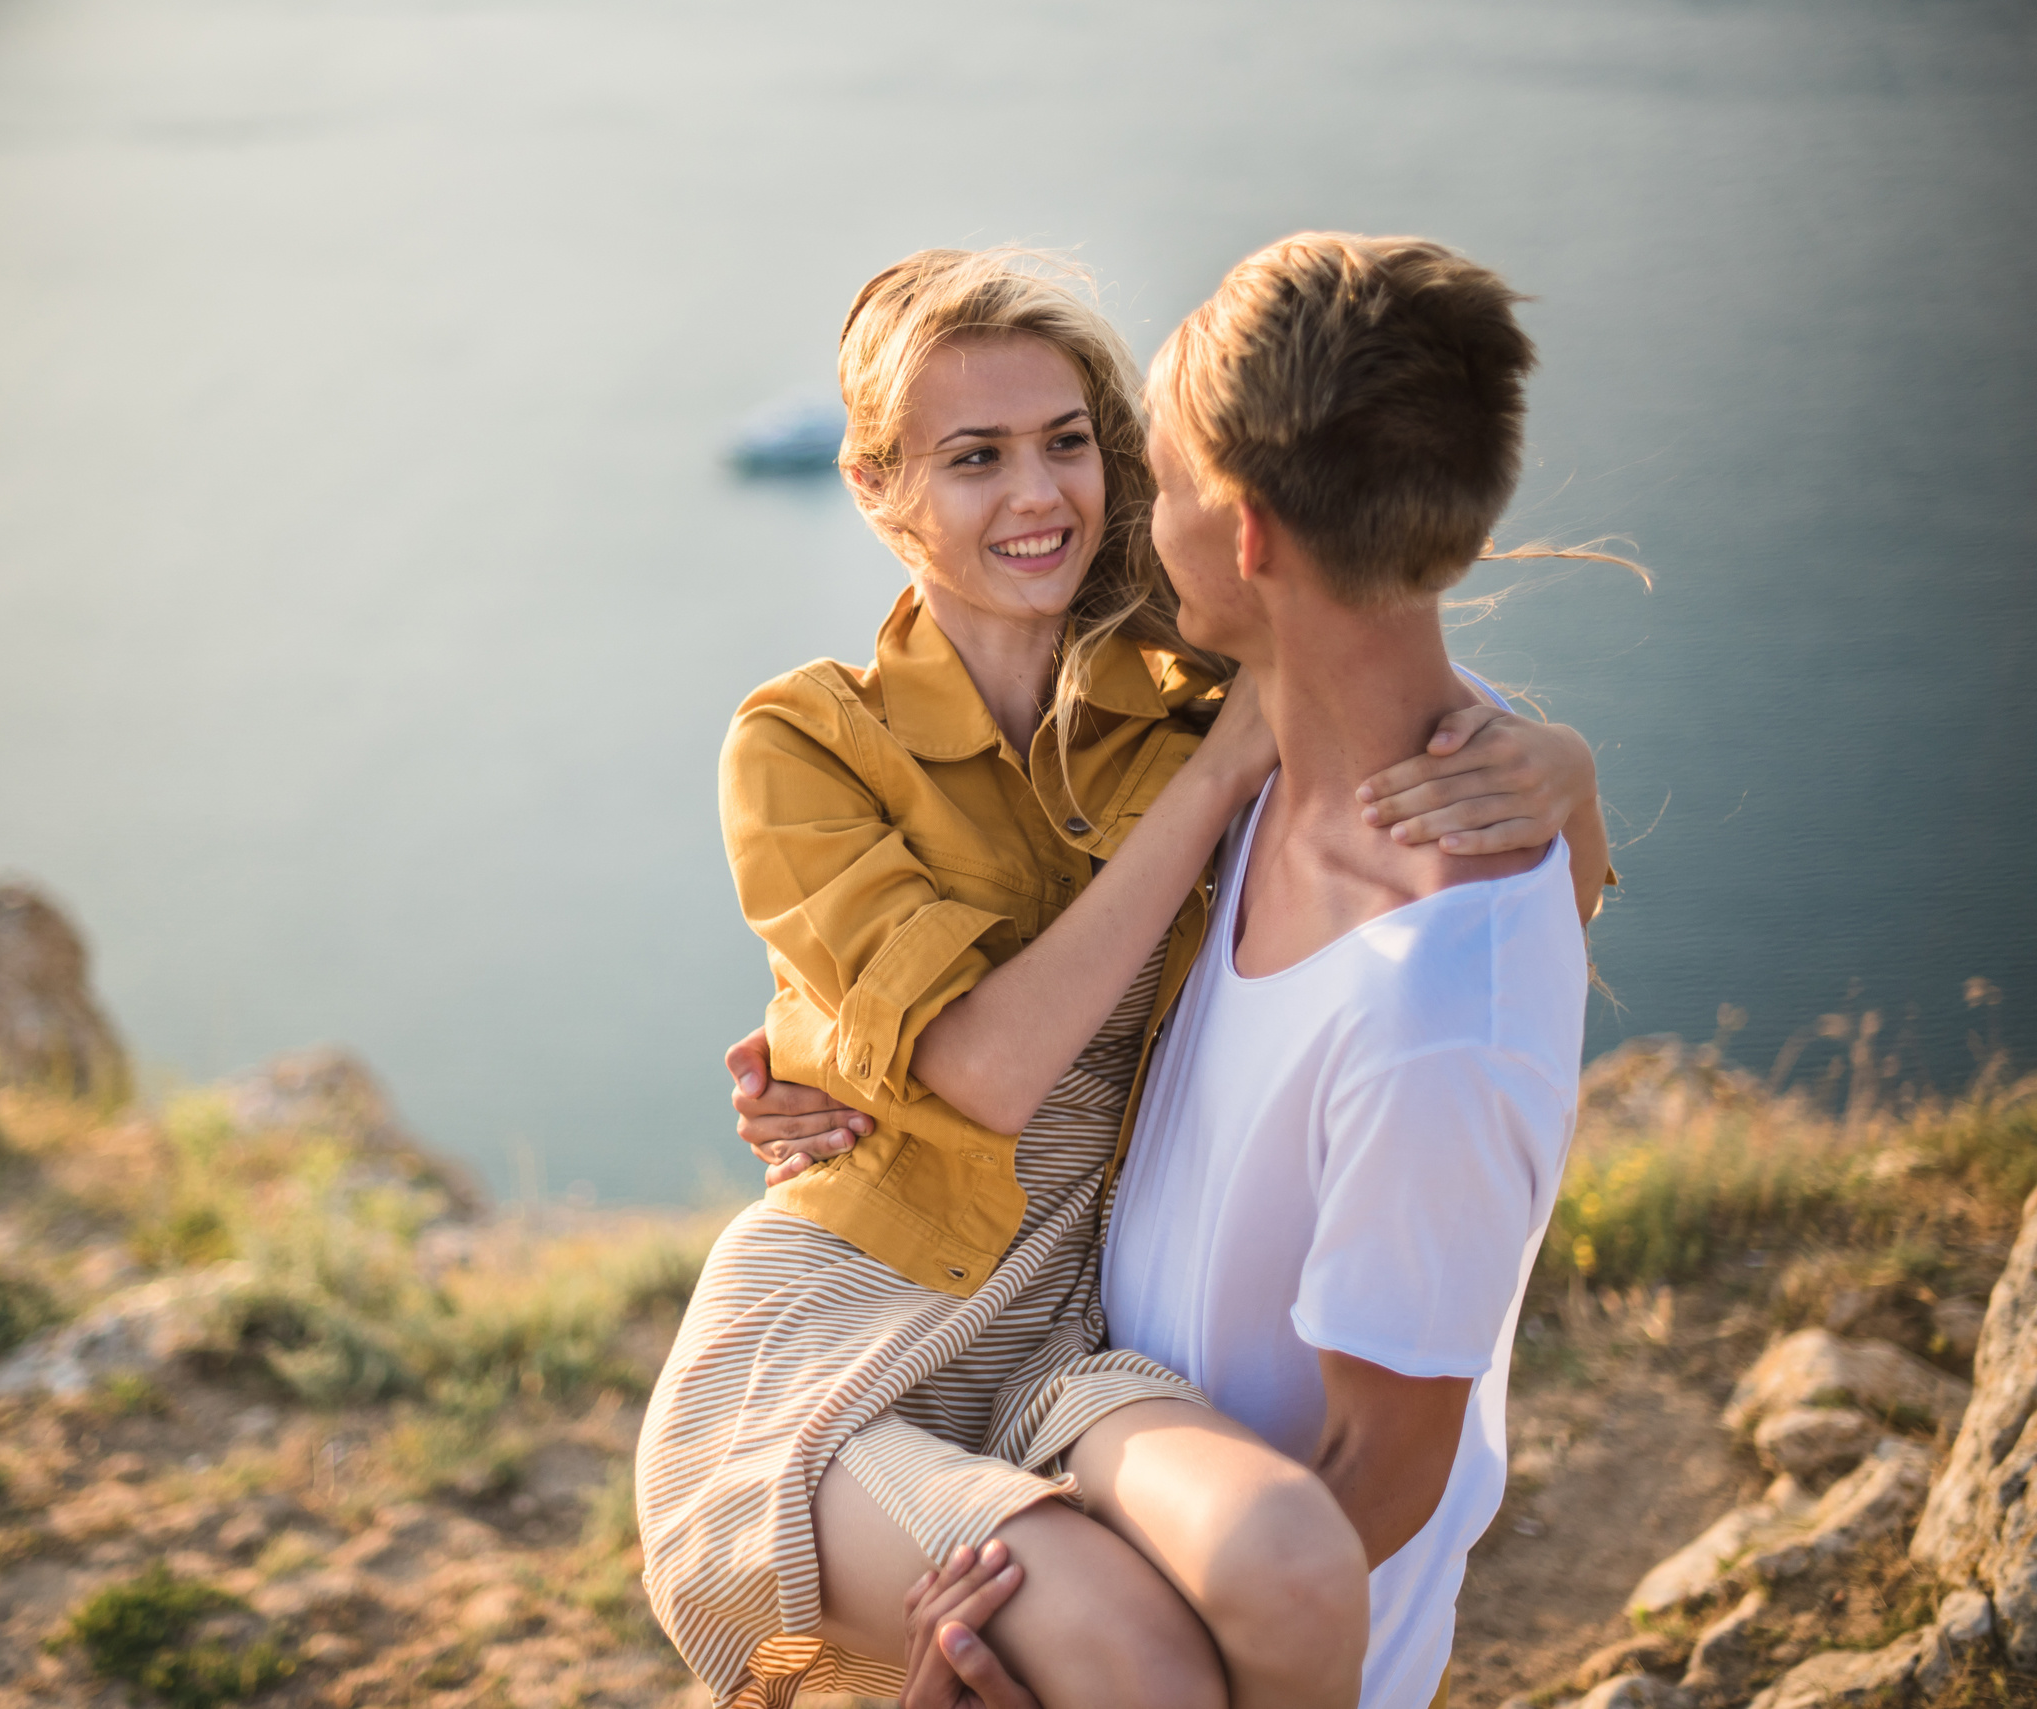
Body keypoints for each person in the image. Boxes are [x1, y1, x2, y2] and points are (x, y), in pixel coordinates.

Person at [641, 245, 1610, 1709]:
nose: (1038, 494)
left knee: (1261, 1581)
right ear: (876, 489)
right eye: (974, 457)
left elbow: (1389, 669)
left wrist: (1564, 768)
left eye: (1068, 442)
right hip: (848, 1330)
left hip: (1073, 1343)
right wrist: (1216, 781)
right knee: (1132, 1659)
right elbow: (984, 1072)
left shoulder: (1200, 687)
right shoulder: (807, 741)